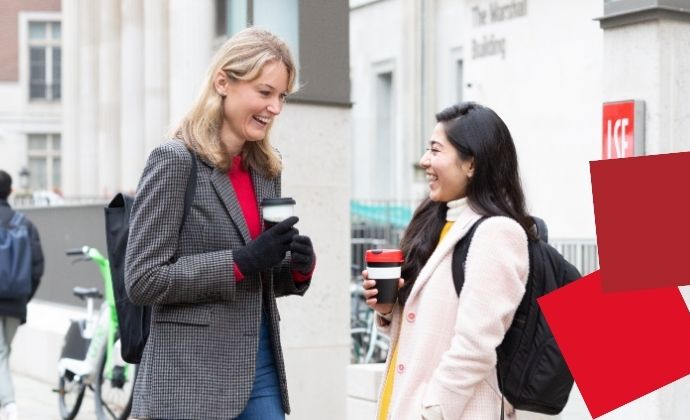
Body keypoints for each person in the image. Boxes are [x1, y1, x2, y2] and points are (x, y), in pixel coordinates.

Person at [125, 27, 316, 420]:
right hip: (188, 378)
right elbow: (143, 279)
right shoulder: (175, 160)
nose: (275, 107)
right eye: (265, 93)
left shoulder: (266, 168)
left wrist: (296, 270)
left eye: (281, 96)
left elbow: (257, 274)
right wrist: (241, 260)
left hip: (259, 365)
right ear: (223, 82)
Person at [362, 102, 535, 420]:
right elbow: (429, 331)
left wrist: (433, 412)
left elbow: (475, 346)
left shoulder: (497, 233)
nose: (425, 161)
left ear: (471, 163)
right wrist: (388, 310)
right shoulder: (434, 222)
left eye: (436, 150)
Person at [0, 170, 44, 420]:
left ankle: (10, 406)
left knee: (1, 353)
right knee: (4, 351)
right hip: (16, 301)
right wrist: (23, 296)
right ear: (11, 191)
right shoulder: (24, 223)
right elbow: (38, 267)